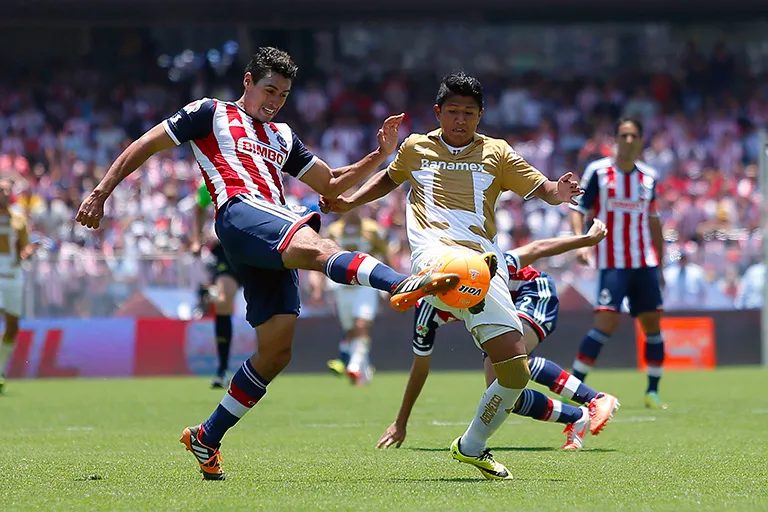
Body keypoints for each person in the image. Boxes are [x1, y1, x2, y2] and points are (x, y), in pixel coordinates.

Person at [75, 47, 462, 481]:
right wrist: (100, 192)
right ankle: (401, 284)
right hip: (240, 213)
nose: (275, 100)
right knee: (318, 244)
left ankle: (207, 436)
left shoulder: (281, 134)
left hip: (268, 231)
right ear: (247, 81)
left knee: (276, 351)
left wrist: (381, 155)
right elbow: (145, 144)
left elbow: (330, 182)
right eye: (269, 89)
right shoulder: (210, 113)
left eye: (283, 93)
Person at [321, 71, 583, 480]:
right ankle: (422, 282)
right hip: (435, 252)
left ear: (480, 116)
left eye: (469, 113)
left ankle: (472, 445)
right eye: (453, 112)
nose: (461, 120)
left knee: (515, 372)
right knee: (454, 266)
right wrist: (347, 201)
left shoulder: (497, 152)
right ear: (438, 112)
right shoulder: (414, 148)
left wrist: (559, 191)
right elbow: (385, 182)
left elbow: (543, 187)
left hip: (485, 264)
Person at [377, 220, 620, 451]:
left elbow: (535, 249)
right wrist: (401, 421)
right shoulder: (425, 313)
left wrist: (586, 240)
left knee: (512, 360)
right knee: (502, 392)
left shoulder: (472, 269)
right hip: (504, 316)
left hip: (533, 291)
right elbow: (420, 368)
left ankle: (595, 398)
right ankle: (578, 417)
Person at [569, 117, 668, 410]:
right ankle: (573, 385)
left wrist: (660, 265)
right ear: (615, 139)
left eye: (633, 136)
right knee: (605, 323)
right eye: (623, 135)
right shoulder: (598, 172)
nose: (627, 141)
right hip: (612, 261)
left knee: (652, 322)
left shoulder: (648, 177)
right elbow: (579, 209)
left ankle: (652, 391)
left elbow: (653, 221)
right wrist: (580, 242)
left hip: (644, 262)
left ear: (640, 141)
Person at [324, 208, 390, 385]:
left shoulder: (373, 229)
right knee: (352, 330)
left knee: (361, 324)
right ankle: (363, 370)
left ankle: (353, 366)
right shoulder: (333, 230)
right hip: (342, 286)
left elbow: (386, 254)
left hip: (366, 285)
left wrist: (390, 284)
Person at [191, 179, 244, 389]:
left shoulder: (249, 172)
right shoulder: (208, 183)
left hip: (254, 245)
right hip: (224, 251)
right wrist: (196, 239)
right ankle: (222, 370)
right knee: (223, 301)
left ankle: (261, 373)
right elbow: (199, 207)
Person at [0, 177, 36, 393]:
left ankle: (0, 370)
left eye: (7, 190)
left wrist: (28, 251)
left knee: (13, 326)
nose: (4, 193)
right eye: (1, 189)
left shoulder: (19, 220)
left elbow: (26, 247)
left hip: (13, 276)